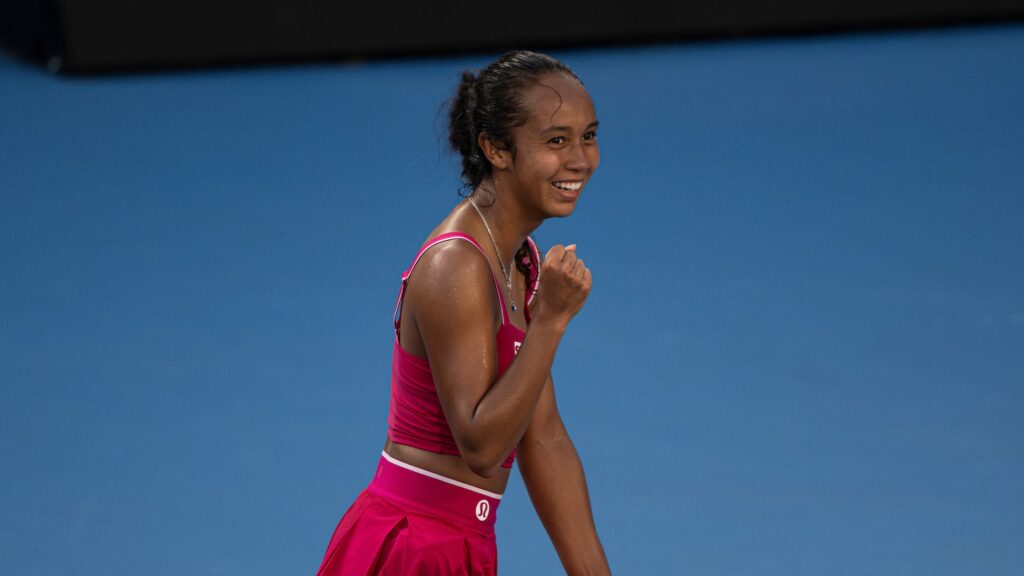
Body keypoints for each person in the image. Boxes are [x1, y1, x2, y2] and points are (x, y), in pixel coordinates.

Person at [316, 50, 610, 575]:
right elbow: (481, 444)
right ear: (496, 149)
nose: (580, 160)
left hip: (462, 543)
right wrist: (551, 320)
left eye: (588, 135)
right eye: (556, 141)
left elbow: (543, 437)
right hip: (413, 549)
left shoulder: (521, 258)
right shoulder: (456, 266)